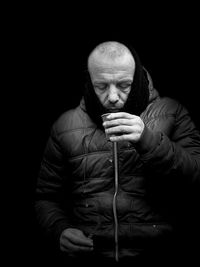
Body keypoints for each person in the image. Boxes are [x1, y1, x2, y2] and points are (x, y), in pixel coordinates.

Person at [35, 41, 200, 266]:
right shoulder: (65, 126)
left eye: (124, 85)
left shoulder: (172, 112)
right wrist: (59, 230)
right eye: (101, 86)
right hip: (89, 259)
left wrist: (148, 140)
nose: (112, 97)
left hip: (161, 256)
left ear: (138, 79)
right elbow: (46, 197)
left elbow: (195, 176)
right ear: (89, 82)